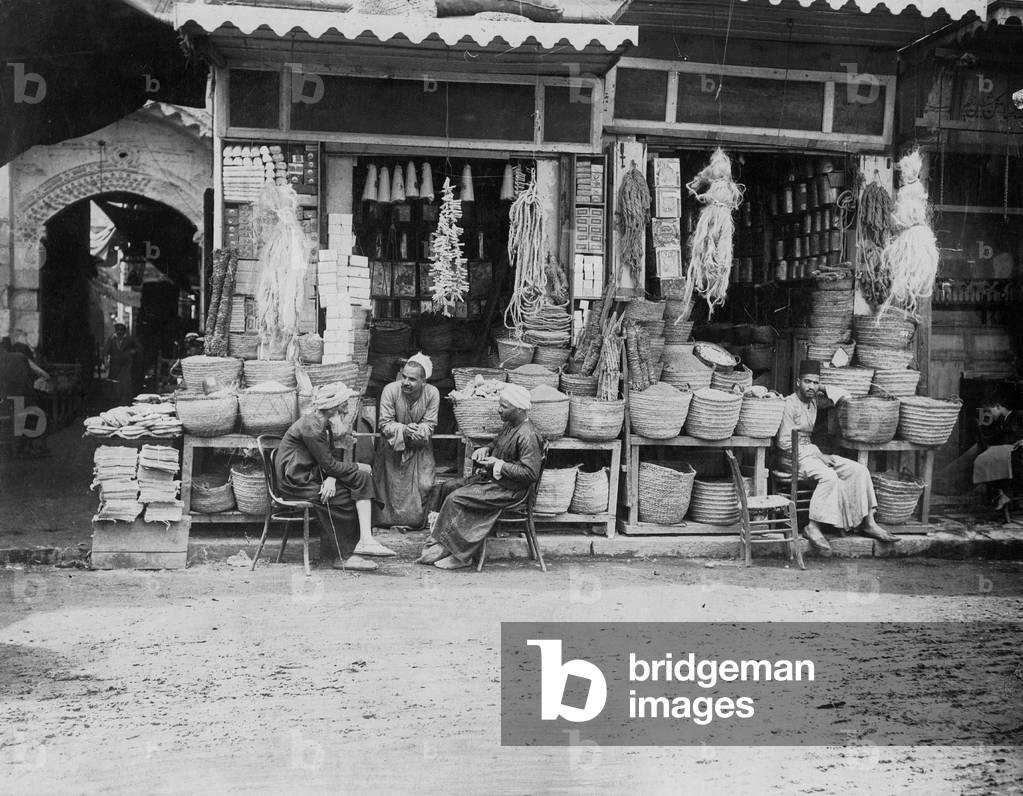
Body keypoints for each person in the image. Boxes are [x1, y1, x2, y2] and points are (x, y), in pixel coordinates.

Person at [776, 360, 899, 556]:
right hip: (794, 458)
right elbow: (784, 442)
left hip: (813, 455)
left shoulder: (815, 401)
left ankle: (869, 522)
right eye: (807, 382)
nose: (811, 386)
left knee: (859, 470)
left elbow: (844, 396)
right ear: (798, 382)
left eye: (815, 382)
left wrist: (822, 388)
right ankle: (812, 527)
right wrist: (818, 454)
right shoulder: (788, 404)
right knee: (829, 476)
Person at [417, 383, 543, 571]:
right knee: (448, 487)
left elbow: (530, 473)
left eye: (504, 406)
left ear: (519, 409)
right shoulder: (510, 425)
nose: (499, 409)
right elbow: (496, 443)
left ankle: (461, 555)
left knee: (456, 498)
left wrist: (498, 464)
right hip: (497, 482)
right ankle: (442, 544)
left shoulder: (527, 435)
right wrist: (486, 449)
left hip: (511, 491)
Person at [274, 382, 381, 571]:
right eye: (344, 405)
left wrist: (331, 478)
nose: (346, 410)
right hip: (297, 483)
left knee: (362, 480)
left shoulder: (321, 425)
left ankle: (365, 542)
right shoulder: (312, 428)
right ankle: (343, 556)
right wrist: (358, 466)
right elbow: (329, 465)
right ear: (332, 408)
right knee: (348, 497)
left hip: (311, 475)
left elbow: (328, 460)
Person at [372, 353, 440, 535]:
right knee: (392, 487)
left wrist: (419, 430)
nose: (406, 382)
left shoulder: (432, 393)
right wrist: (403, 429)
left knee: (425, 484)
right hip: (392, 446)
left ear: (423, 381)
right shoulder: (390, 390)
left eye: (412, 379)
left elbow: (430, 423)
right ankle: (387, 522)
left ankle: (416, 522)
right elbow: (385, 423)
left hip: (419, 446)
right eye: (404, 377)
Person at [0, 338, 50, 457]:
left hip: (6, 404)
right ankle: (30, 446)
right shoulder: (20, 358)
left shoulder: (12, 359)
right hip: (20, 403)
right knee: (35, 412)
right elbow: (44, 375)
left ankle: (19, 446)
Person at [104, 322, 139, 404]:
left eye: (121, 330)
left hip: (126, 365)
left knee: (125, 382)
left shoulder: (129, 339)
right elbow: (106, 351)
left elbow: (137, 348)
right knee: (114, 382)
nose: (119, 332)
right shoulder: (111, 339)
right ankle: (114, 400)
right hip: (114, 364)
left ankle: (125, 400)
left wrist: (131, 352)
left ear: (124, 331)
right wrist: (106, 361)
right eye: (118, 330)